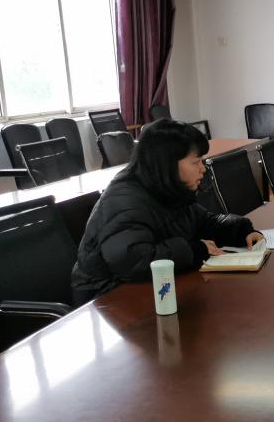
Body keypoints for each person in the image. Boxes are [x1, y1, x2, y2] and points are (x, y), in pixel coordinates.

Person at [72, 119, 263, 304]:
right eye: (196, 162)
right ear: (168, 164)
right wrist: (194, 250)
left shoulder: (168, 188)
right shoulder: (125, 200)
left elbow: (204, 222)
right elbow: (132, 261)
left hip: (149, 285)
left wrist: (240, 232)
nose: (202, 169)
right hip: (106, 297)